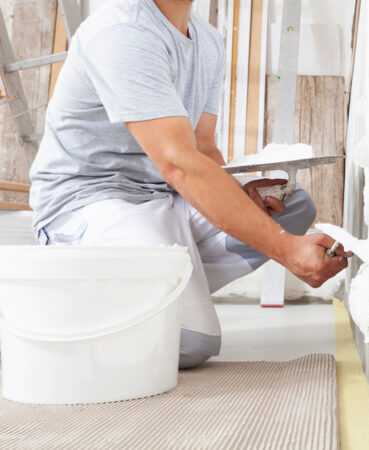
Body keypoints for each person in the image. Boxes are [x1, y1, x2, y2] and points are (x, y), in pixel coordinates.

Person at [28, 0, 350, 369]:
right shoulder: (123, 32)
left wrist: (238, 196)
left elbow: (203, 149)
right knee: (188, 343)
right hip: (91, 204)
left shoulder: (208, 41)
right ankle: (74, 304)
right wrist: (287, 251)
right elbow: (177, 162)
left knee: (293, 207)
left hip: (161, 198)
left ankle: (153, 294)